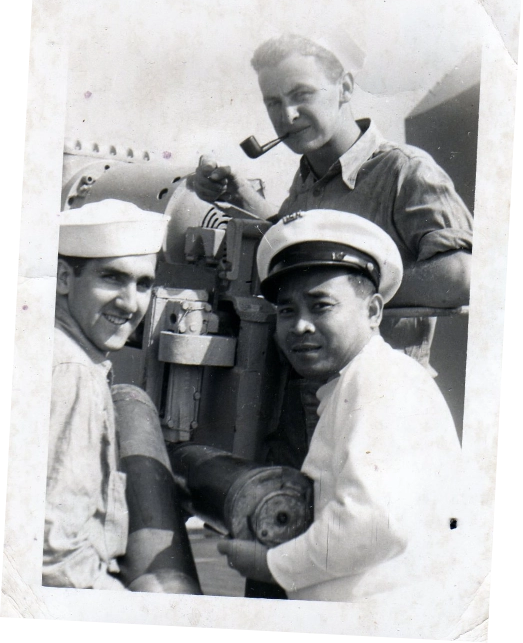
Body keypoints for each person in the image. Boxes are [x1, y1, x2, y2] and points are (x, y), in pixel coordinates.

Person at [218, 210, 468, 631]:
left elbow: (374, 524)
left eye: (321, 306)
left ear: (373, 311)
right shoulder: (360, 380)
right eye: (286, 310)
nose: (299, 326)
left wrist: (272, 564)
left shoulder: (377, 382)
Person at [192, 31, 473, 371]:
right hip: (313, 399)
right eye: (273, 102)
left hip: (384, 393)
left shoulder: (404, 171)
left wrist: (348, 295)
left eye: (302, 94)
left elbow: (461, 277)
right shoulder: (306, 182)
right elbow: (305, 244)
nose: (288, 115)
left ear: (345, 89)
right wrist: (239, 196)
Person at [43, 199, 201, 594]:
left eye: (143, 284)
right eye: (112, 278)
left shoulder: (54, 349)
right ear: (64, 277)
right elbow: (56, 559)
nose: (131, 303)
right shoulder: (72, 371)